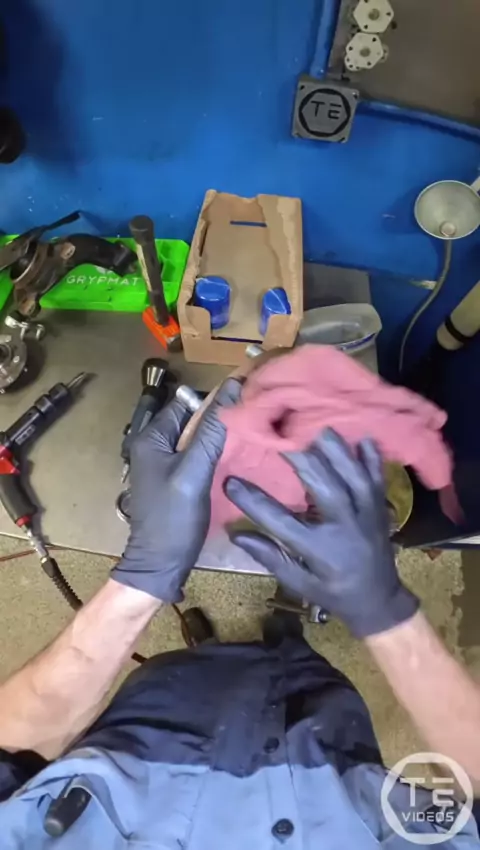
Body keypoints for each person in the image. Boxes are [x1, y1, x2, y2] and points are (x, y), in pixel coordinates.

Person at [0, 378, 478, 848]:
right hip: (320, 717)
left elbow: (9, 746)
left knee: (203, 664)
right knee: (299, 661)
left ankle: (245, 640)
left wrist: (140, 581)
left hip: (164, 698)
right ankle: (287, 637)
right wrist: (386, 614)